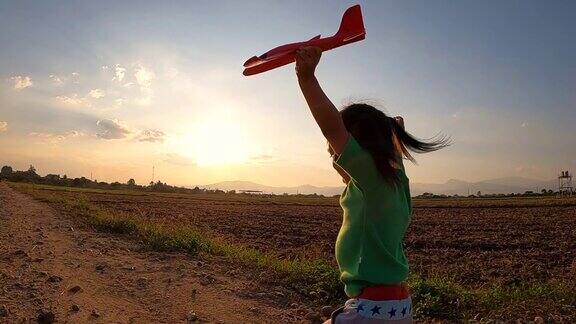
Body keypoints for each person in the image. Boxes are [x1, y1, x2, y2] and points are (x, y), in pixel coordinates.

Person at [295, 46, 449, 323]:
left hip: (371, 309)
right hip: (397, 306)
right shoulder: (395, 178)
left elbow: (331, 127)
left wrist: (307, 79)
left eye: (335, 149)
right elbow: (392, 150)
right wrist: (393, 129)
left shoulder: (371, 180)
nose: (332, 154)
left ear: (359, 147)